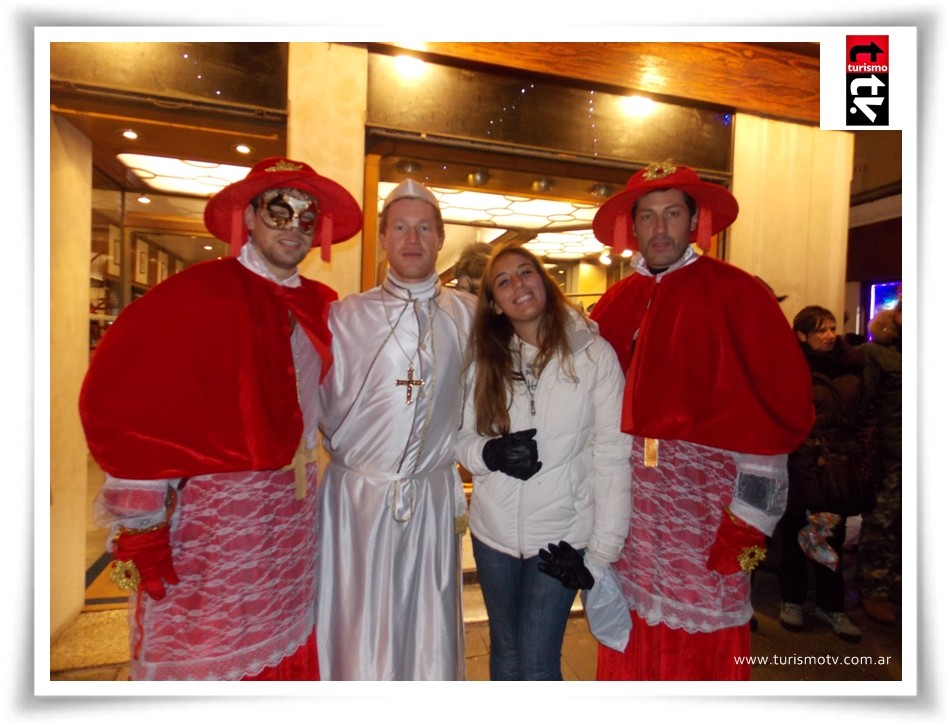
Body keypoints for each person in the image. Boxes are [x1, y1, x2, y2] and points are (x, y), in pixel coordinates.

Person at [78, 157, 362, 680]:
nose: (294, 227)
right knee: (205, 649)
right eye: (280, 211)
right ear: (248, 217)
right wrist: (143, 524)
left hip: (294, 516)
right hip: (213, 526)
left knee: (288, 638)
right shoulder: (195, 295)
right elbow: (130, 406)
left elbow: (333, 404)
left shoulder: (320, 305)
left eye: (306, 217)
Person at [588, 160, 814, 680]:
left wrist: (749, 521)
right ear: (633, 227)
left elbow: (767, 416)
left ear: (695, 223)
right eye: (648, 217)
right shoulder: (616, 302)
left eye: (672, 214)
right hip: (631, 510)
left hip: (705, 509)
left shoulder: (738, 294)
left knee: (700, 645)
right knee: (630, 625)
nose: (660, 229)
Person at [315, 179, 476, 680]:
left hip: (430, 498)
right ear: (382, 238)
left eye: (424, 228)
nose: (413, 239)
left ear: (441, 236)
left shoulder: (470, 316)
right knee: (356, 620)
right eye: (401, 228)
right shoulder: (344, 317)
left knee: (426, 621)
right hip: (357, 502)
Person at [455, 241, 632, 680]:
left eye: (526, 272)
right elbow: (458, 439)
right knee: (506, 653)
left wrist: (599, 555)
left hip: (560, 538)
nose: (518, 284)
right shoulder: (482, 360)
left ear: (544, 282)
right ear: (495, 304)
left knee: (536, 662)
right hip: (493, 534)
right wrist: (488, 453)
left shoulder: (594, 355)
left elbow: (613, 455)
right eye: (503, 281)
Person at [775, 305, 872, 643]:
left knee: (828, 538)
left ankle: (830, 605)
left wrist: (857, 459)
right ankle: (792, 599)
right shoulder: (790, 369)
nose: (829, 335)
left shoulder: (850, 371)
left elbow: (864, 420)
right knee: (794, 536)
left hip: (836, 470)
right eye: (820, 330)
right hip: (798, 467)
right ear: (802, 335)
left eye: (832, 328)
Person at [856, 300, 902, 625]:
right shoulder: (877, 353)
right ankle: (874, 586)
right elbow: (865, 403)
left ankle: (901, 584)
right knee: (882, 521)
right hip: (891, 451)